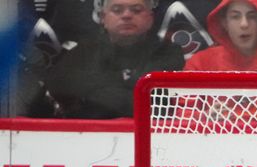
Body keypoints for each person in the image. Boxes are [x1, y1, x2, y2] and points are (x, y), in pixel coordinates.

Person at [43, 0, 184, 119]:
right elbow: (58, 87)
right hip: (89, 137)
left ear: (150, 19)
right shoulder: (84, 51)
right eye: (117, 10)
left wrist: (94, 91)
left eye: (136, 10)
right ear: (103, 18)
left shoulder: (169, 53)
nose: (127, 15)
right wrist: (129, 83)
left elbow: (154, 102)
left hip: (153, 138)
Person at [183, 0, 257, 71]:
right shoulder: (200, 64)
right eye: (235, 17)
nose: (244, 24)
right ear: (225, 23)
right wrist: (208, 105)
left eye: (252, 16)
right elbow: (183, 103)